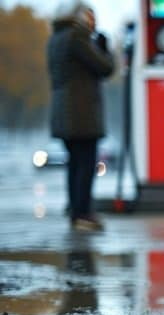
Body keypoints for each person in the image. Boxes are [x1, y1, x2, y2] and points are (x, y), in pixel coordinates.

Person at [47, 2, 114, 232]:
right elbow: (105, 67)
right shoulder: (78, 37)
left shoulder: (56, 38)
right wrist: (104, 48)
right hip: (81, 112)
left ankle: (75, 210)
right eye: (91, 16)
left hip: (63, 112)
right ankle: (82, 213)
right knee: (86, 164)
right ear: (81, 17)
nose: (94, 22)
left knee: (75, 163)